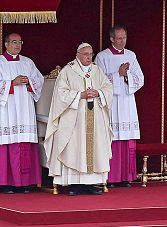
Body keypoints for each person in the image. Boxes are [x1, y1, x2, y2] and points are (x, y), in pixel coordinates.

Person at [44, 43, 114, 195]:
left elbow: (108, 88)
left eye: (91, 54)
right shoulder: (68, 71)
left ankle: (91, 183)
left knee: (94, 147)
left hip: (95, 117)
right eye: (86, 54)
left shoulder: (97, 70)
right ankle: (74, 184)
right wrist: (79, 95)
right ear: (78, 55)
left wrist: (99, 93)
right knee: (74, 148)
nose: (89, 57)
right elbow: (60, 94)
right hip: (74, 119)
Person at [0, 32, 44, 194]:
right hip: (6, 111)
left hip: (24, 108)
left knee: (24, 143)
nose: (18, 45)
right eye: (14, 42)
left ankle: (26, 183)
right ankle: (6, 184)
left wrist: (29, 83)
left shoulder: (28, 62)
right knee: (7, 143)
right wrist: (12, 83)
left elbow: (39, 81)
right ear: (6, 44)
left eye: (20, 42)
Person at [95, 25, 144, 187]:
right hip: (111, 104)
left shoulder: (131, 55)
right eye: (119, 38)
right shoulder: (102, 57)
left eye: (124, 37)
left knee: (127, 140)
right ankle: (111, 177)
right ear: (112, 39)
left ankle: (126, 177)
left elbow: (140, 79)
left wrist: (127, 75)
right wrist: (118, 74)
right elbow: (98, 81)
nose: (123, 41)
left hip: (128, 102)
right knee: (112, 139)